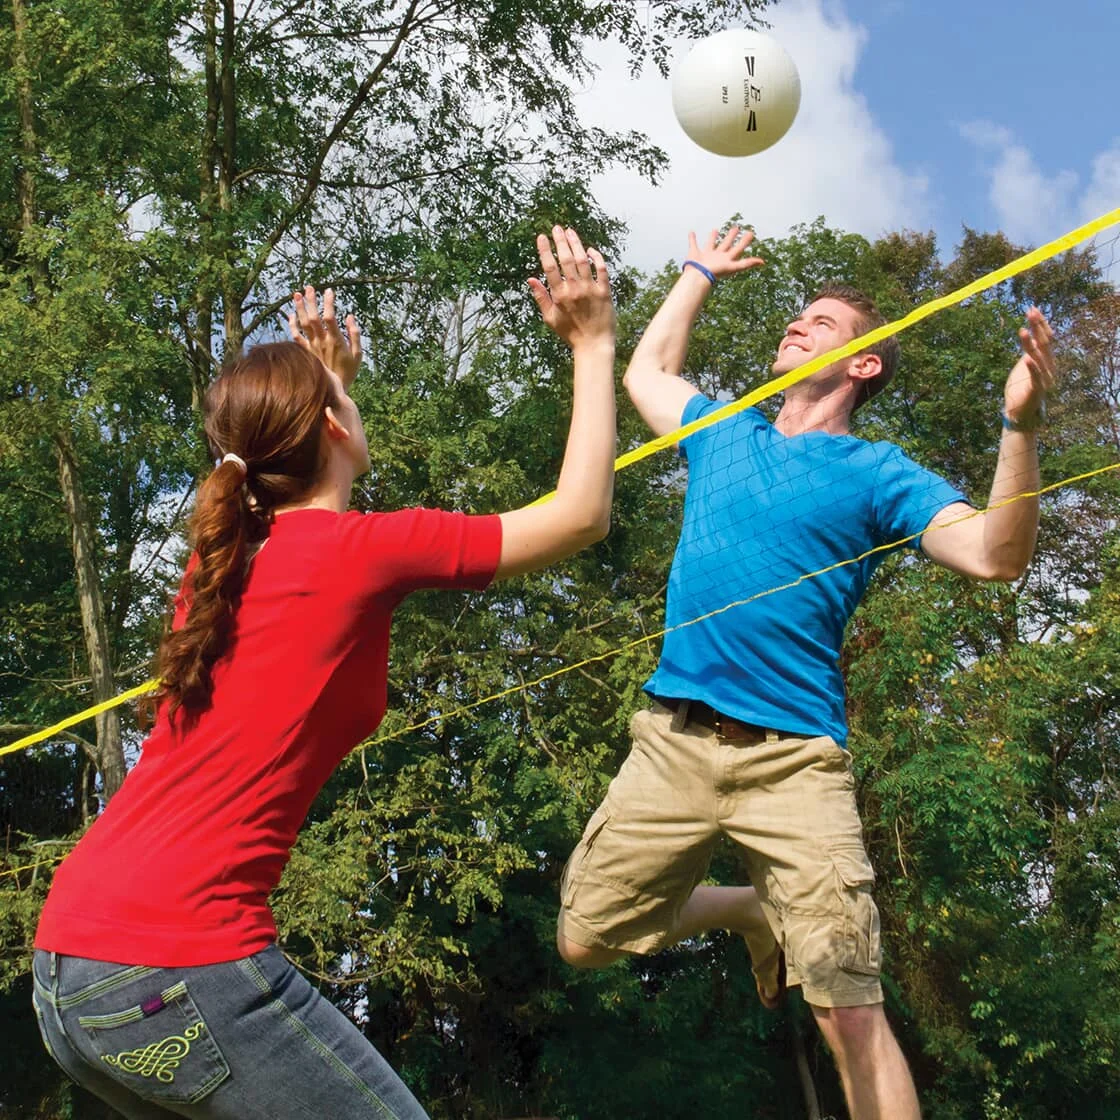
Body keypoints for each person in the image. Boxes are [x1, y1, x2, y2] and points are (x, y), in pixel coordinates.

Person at [31, 226, 616, 1120]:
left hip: (71, 970)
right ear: (335, 425)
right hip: (176, 959)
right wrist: (592, 341)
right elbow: (578, 515)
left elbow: (290, 467)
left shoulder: (219, 569)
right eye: (341, 398)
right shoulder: (360, 553)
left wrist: (316, 377)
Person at [555, 226, 1055, 1120]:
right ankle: (751, 908)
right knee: (585, 939)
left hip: (796, 762)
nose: (795, 325)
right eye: (797, 316)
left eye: (819, 323)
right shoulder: (727, 429)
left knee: (848, 1011)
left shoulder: (876, 472)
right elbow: (645, 373)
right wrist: (699, 273)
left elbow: (993, 555)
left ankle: (779, 916)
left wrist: (1019, 425)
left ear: (863, 365)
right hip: (672, 742)